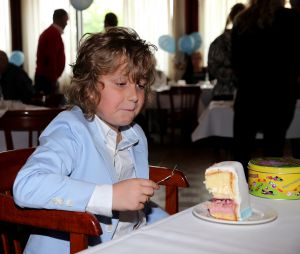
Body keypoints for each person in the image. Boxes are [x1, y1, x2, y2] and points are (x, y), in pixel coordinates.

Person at [13, 27, 168, 254]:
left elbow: (134, 212)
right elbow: (27, 185)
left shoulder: (135, 134)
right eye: (121, 83)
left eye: (141, 84)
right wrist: (110, 196)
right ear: (88, 90)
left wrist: (171, 222)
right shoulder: (70, 129)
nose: (134, 96)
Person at [231, 0, 300, 174]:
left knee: (241, 152)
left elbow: (235, 62)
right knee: (274, 150)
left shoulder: (241, 20)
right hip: (281, 95)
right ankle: (269, 195)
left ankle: (240, 195)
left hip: (248, 94)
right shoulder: (292, 18)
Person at [207, 3, 246, 100]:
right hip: (227, 94)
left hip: (223, 93)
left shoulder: (218, 41)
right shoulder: (221, 42)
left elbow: (212, 71)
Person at [34, 9, 69, 96]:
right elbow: (50, 58)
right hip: (47, 78)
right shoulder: (53, 34)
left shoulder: (51, 32)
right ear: (59, 19)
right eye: (65, 20)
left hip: (46, 77)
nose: (66, 23)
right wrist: (53, 79)